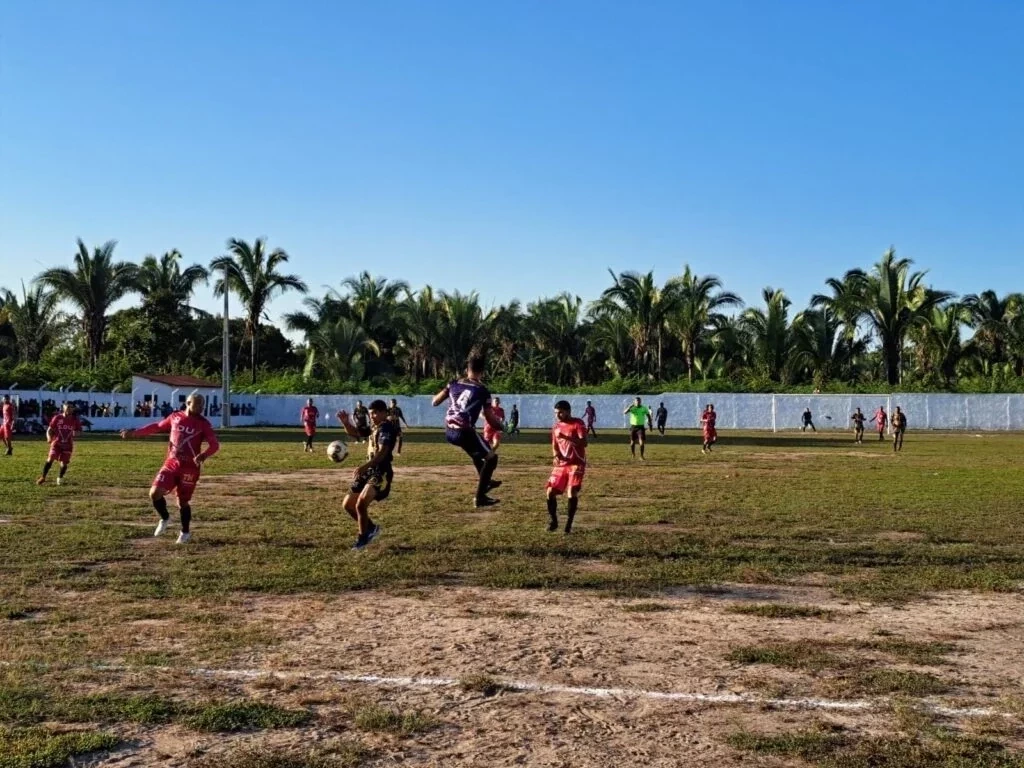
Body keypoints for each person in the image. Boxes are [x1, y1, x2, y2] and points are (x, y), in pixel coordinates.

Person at [121, 394, 220, 544]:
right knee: (154, 493)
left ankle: (185, 532)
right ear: (188, 403)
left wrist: (204, 455)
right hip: (171, 463)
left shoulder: (204, 424)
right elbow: (157, 427)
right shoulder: (175, 417)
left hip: (190, 468)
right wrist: (135, 433)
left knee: (182, 502)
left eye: (203, 405)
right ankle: (165, 518)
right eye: (198, 404)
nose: (201, 408)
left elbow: (214, 445)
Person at [432, 355, 504, 508]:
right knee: (492, 458)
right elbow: (491, 419)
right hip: (464, 430)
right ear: (482, 372)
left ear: (467, 369)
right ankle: (480, 497)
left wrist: (448, 391)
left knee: (477, 454)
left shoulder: (453, 383)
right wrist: (502, 427)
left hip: (449, 431)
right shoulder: (482, 390)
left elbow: (435, 402)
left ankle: (487, 482)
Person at [337, 400, 394, 550]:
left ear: (384, 412)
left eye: (375, 413)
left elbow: (382, 453)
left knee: (361, 503)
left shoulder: (387, 427)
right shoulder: (374, 427)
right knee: (348, 504)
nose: (372, 416)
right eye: (370, 414)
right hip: (368, 470)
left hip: (381, 471)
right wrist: (345, 422)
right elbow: (355, 433)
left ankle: (362, 538)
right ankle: (371, 528)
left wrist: (365, 466)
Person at [546, 400, 587, 534]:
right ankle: (554, 521)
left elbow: (584, 442)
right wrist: (555, 455)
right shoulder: (556, 426)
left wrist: (565, 437)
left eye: (561, 412)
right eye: (556, 413)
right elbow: (554, 444)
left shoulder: (578, 423)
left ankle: (568, 525)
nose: (558, 415)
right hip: (562, 463)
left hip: (576, 462)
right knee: (550, 491)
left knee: (571, 491)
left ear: (568, 411)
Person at [37, 403, 83, 486]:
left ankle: (60, 477)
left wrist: (76, 433)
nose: (69, 409)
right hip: (57, 443)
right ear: (63, 408)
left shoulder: (75, 420)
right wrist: (48, 437)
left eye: (71, 408)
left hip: (68, 445)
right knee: (50, 458)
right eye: (68, 407)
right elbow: (49, 429)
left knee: (63, 463)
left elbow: (79, 431)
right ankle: (43, 477)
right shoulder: (57, 418)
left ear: (73, 409)